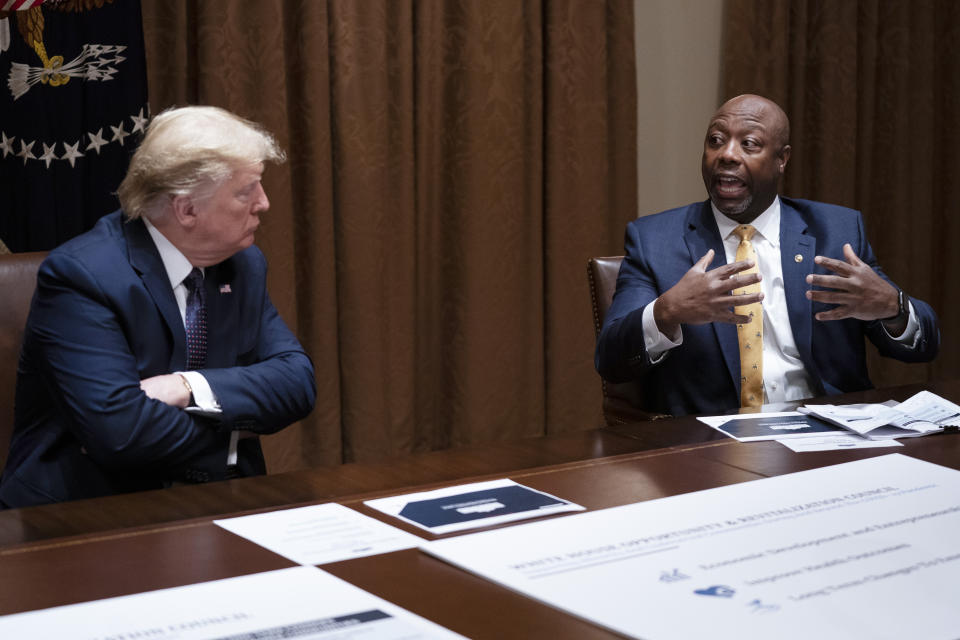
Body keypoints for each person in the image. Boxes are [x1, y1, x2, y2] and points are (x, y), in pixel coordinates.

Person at [0, 106, 317, 508]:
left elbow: (298, 382)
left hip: (214, 502)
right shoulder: (83, 277)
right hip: (90, 511)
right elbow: (122, 434)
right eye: (246, 191)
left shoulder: (242, 265)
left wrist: (188, 387)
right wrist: (236, 429)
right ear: (187, 209)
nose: (264, 203)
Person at [595, 94, 939, 416]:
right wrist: (667, 312)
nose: (727, 155)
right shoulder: (655, 240)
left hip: (827, 435)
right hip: (712, 447)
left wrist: (892, 306)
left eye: (749, 144)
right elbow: (611, 359)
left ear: (781, 160)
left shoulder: (836, 231)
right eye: (716, 140)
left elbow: (923, 346)